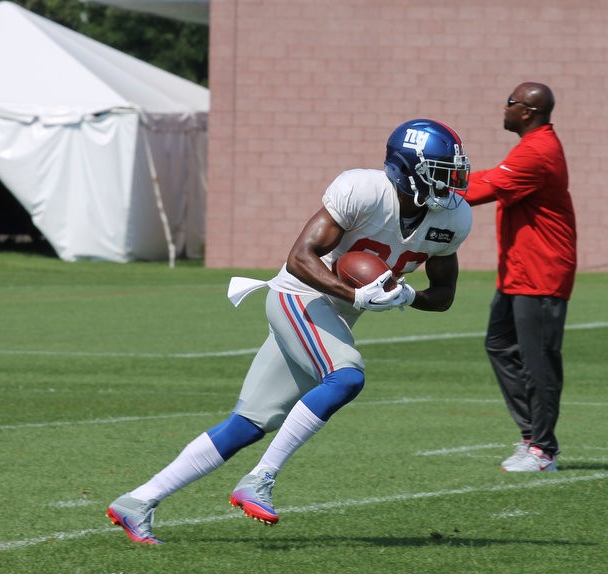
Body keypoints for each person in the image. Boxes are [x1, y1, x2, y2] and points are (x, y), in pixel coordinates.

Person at [106, 118, 473, 544]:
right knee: (347, 374)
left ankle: (137, 502)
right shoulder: (364, 191)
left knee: (249, 422)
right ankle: (260, 478)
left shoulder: (452, 220)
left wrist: (405, 297)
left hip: (331, 316)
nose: (451, 183)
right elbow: (301, 257)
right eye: (441, 171)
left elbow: (444, 293)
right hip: (297, 295)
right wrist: (354, 297)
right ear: (410, 169)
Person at [465, 82, 577, 473]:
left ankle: (543, 451)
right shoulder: (529, 147)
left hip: (542, 274)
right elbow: (493, 176)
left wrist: (435, 184)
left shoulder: (539, 150)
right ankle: (532, 436)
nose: (504, 108)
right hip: (519, 273)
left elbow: (485, 187)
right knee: (499, 345)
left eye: (509, 103)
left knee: (539, 362)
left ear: (526, 111)